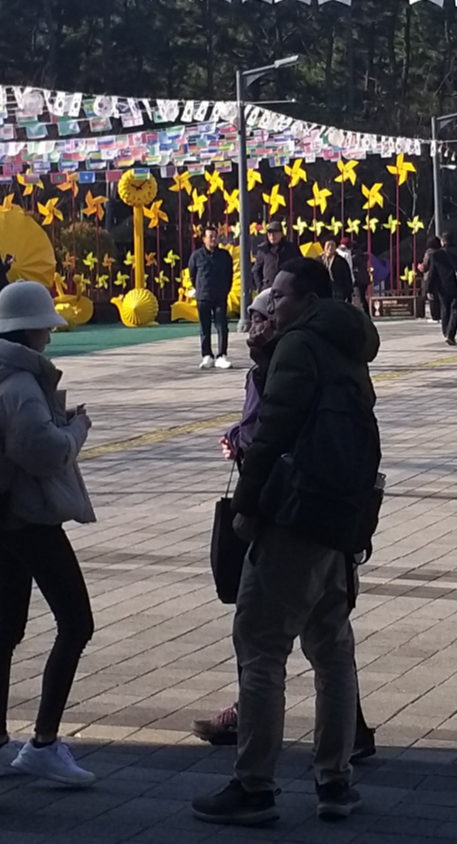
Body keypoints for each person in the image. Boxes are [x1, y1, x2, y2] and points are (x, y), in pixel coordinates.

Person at [193, 257, 379, 826]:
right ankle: (335, 781)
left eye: (281, 294)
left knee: (261, 646)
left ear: (308, 300)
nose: (272, 303)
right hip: (340, 514)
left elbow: (273, 429)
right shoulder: (348, 343)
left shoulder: (300, 344)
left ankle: (254, 786)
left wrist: (246, 505)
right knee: (332, 648)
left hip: (295, 513)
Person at [0, 280, 99, 788]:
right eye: (45, 328)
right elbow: (47, 454)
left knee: (5, 629)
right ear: (28, 330)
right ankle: (44, 744)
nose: (49, 338)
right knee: (76, 623)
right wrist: (77, 428)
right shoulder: (18, 387)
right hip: (30, 517)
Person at [189, 233, 235, 372]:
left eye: (215, 236)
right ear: (204, 239)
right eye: (210, 236)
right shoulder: (196, 256)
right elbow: (192, 275)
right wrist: (199, 288)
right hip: (203, 297)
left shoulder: (225, 256)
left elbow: (229, 275)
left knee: (222, 326)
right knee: (205, 327)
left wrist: (225, 290)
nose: (213, 239)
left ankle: (222, 355)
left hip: (220, 296)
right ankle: (207, 355)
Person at [419, 235, 457, 345]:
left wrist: (429, 289)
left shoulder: (437, 255)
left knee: (445, 309)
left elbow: (432, 273)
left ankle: (446, 332)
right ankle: (451, 334)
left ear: (443, 241)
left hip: (443, 286)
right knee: (455, 310)